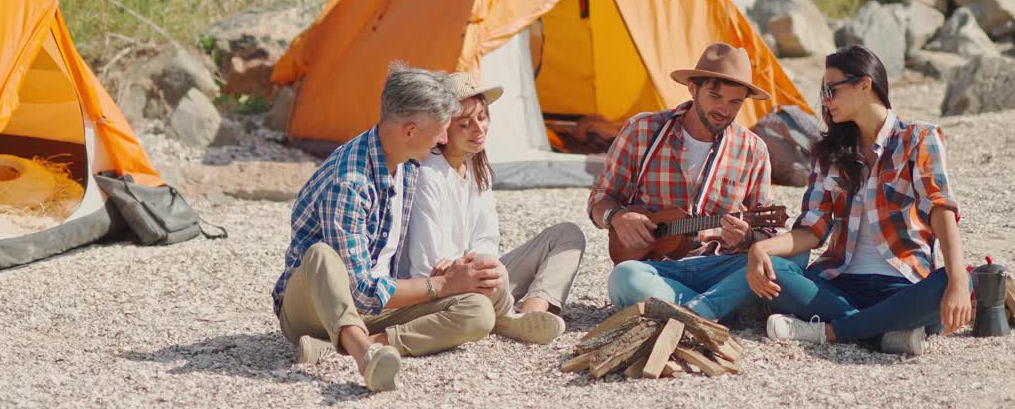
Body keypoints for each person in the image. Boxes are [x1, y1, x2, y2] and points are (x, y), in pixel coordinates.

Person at [272, 63, 503, 393]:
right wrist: (442, 284)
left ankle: (340, 346)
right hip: (314, 309)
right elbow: (360, 290)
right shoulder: (349, 182)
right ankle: (365, 355)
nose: (443, 139)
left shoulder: (408, 164)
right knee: (322, 256)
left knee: (477, 312)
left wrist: (456, 280)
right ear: (409, 131)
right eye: (440, 130)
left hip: (378, 307)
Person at [745, 44, 972, 355]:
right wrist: (761, 248)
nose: (825, 100)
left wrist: (957, 281)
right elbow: (813, 230)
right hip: (840, 284)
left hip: (902, 286)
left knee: (959, 282)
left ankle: (826, 332)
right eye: (823, 92)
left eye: (831, 90)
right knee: (777, 273)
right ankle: (881, 334)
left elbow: (940, 208)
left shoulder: (919, 139)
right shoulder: (830, 154)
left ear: (864, 85)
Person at [587, 42, 783, 321]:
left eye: (735, 102)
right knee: (624, 276)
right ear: (692, 88)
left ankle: (682, 312)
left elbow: (768, 232)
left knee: (788, 259)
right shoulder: (642, 130)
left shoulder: (753, 149)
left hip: (719, 266)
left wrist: (749, 238)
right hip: (657, 271)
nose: (724, 109)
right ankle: (712, 310)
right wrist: (617, 216)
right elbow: (599, 199)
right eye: (715, 96)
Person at [401, 73, 586, 344]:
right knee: (483, 281)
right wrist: (473, 267)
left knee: (568, 235)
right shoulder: (428, 174)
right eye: (465, 124)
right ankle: (508, 317)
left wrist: (480, 263)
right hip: (439, 290)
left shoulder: (476, 167)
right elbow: (427, 265)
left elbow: (487, 238)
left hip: (478, 278)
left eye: (482, 117)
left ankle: (530, 312)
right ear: (442, 131)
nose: (479, 129)